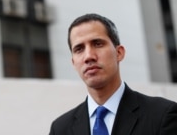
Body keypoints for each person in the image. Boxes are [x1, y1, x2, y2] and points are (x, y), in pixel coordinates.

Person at [49, 13, 177, 135]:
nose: (88, 56)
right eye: (79, 49)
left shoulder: (162, 115)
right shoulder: (60, 129)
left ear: (119, 53)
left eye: (97, 44)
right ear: (73, 63)